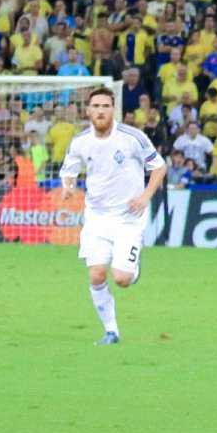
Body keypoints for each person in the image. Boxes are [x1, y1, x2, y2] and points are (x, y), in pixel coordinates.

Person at [59, 87, 167, 345]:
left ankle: (133, 267)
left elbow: (159, 167)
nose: (100, 111)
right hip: (96, 218)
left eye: (105, 106)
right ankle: (111, 331)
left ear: (113, 109)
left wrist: (145, 197)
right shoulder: (80, 141)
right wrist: (68, 187)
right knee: (96, 274)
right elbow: (69, 170)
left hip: (128, 218)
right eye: (96, 106)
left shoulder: (132, 137)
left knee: (122, 279)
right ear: (88, 110)